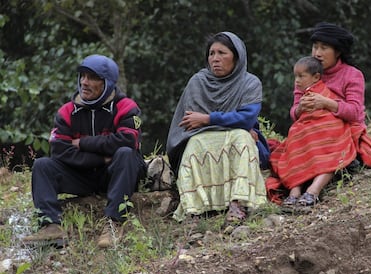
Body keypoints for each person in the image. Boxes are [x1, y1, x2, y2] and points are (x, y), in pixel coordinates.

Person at [22, 54, 147, 248]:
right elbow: (60, 150)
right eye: (82, 76)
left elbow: (128, 140)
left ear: (107, 83)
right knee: (43, 165)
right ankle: (50, 226)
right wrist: (102, 158)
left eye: (92, 77)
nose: (84, 82)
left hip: (117, 173)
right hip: (83, 175)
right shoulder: (67, 111)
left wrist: (83, 143)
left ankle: (114, 223)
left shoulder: (126, 107)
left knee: (124, 154)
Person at [266, 22, 371, 210]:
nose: (317, 53)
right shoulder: (306, 72)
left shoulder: (352, 74)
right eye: (315, 47)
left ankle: (313, 191)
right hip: (310, 127)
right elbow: (295, 112)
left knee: (330, 136)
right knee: (296, 136)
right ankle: (294, 191)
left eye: (324, 48)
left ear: (338, 51)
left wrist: (327, 103)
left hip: (341, 127)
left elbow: (355, 112)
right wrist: (299, 109)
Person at [166, 31, 269, 224]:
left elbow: (246, 117)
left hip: (230, 134)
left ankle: (238, 203)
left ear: (237, 58)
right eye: (211, 53)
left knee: (242, 137)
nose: (215, 59)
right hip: (202, 136)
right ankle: (194, 209)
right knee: (196, 143)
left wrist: (208, 118)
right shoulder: (198, 82)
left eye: (222, 53)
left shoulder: (249, 83)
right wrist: (232, 123)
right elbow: (191, 123)